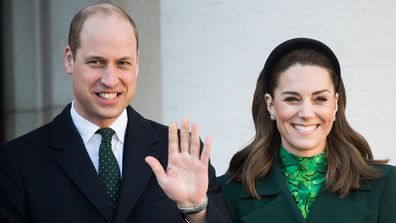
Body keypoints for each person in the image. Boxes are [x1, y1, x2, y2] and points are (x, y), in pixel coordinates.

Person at [0, 3, 230, 223]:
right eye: (96, 62)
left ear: (137, 63)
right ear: (70, 60)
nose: (110, 80)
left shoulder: (182, 153)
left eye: (123, 63)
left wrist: (196, 210)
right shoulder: (18, 162)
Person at [218, 38, 396, 223]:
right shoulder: (229, 192)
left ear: (335, 104)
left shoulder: (387, 186)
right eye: (292, 99)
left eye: (319, 98)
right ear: (270, 105)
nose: (306, 113)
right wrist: (194, 210)